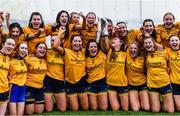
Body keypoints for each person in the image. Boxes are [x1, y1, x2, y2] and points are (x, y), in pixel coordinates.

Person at [53, 26, 89, 111]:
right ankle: (68, 101)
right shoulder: (66, 52)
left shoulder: (84, 51)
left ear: (81, 43)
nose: (77, 43)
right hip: (70, 82)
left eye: (79, 41)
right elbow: (55, 46)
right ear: (71, 43)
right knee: (75, 109)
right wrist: (60, 33)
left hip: (82, 81)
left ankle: (71, 100)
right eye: (75, 41)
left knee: (85, 108)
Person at [143, 36, 174, 113]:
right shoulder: (144, 55)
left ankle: (165, 104)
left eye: (149, 42)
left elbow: (170, 61)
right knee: (155, 110)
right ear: (144, 45)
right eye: (145, 43)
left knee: (170, 111)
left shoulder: (163, 52)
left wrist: (169, 68)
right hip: (152, 84)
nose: (147, 44)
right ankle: (156, 104)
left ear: (154, 44)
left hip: (165, 82)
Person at [106, 36, 129, 111]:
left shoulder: (125, 53)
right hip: (110, 83)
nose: (113, 40)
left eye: (115, 39)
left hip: (122, 83)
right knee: (115, 109)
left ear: (120, 43)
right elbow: (104, 41)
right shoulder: (109, 51)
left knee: (125, 109)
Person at [44, 36, 66, 112]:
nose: (53, 42)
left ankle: (60, 102)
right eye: (52, 40)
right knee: (49, 110)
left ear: (60, 42)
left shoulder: (63, 52)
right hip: (48, 81)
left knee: (62, 109)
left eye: (55, 40)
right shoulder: (46, 51)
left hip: (59, 81)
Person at [126, 41, 150, 112]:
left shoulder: (143, 57)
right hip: (131, 85)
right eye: (131, 48)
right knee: (135, 109)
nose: (132, 50)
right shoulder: (127, 55)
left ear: (138, 49)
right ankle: (135, 101)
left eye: (135, 48)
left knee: (146, 108)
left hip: (143, 85)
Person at [24, 42, 47, 114]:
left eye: (44, 48)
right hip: (29, 87)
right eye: (40, 48)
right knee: (30, 112)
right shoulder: (28, 58)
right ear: (35, 49)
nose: (42, 49)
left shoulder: (45, 60)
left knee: (39, 112)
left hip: (40, 88)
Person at [85, 39, 108, 111]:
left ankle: (102, 100)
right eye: (91, 47)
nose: (93, 48)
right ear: (88, 49)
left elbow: (102, 40)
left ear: (98, 48)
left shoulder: (101, 54)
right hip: (91, 84)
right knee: (94, 108)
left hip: (102, 82)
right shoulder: (85, 58)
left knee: (104, 108)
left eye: (95, 47)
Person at [8, 42, 28, 115]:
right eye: (22, 48)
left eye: (26, 48)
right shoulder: (10, 61)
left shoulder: (25, 60)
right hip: (14, 86)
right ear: (17, 49)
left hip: (23, 86)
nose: (24, 50)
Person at [0, 38, 15, 115]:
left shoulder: (9, 59)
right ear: (3, 44)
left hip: (4, 90)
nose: (11, 46)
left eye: (13, 45)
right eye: (8, 44)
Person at [167, 35, 180, 111]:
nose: (174, 42)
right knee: (179, 108)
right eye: (172, 41)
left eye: (176, 40)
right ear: (169, 43)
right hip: (174, 83)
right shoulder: (167, 51)